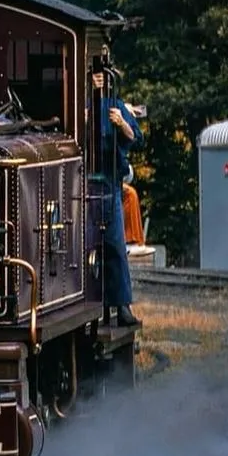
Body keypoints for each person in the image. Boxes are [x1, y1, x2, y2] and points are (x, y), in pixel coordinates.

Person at [93, 68, 144, 328]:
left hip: (110, 180)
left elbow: (136, 138)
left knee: (115, 243)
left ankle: (122, 305)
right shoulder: (79, 105)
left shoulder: (116, 105)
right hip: (87, 178)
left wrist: (122, 123)